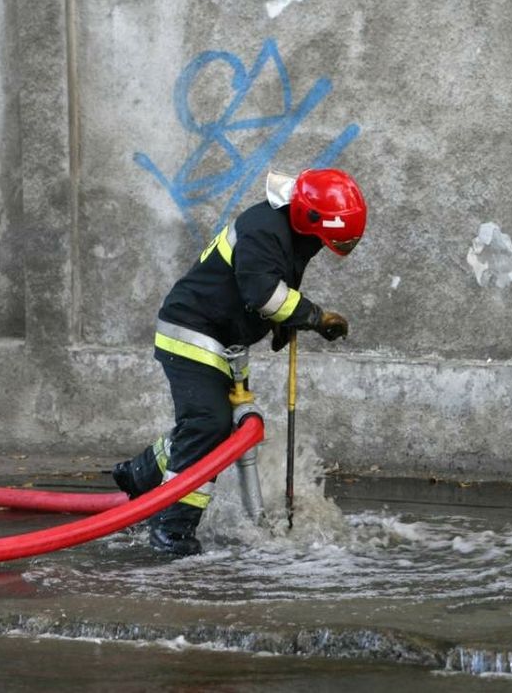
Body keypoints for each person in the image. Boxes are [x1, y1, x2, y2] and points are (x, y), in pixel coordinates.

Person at [111, 168, 367, 556]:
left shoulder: (293, 232)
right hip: (191, 332)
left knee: (217, 428)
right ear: (310, 218)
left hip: (221, 339)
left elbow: (264, 288)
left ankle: (143, 473)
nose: (330, 247)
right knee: (209, 426)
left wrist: (280, 322)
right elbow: (262, 292)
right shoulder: (264, 229)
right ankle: (171, 528)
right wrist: (313, 317)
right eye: (332, 239)